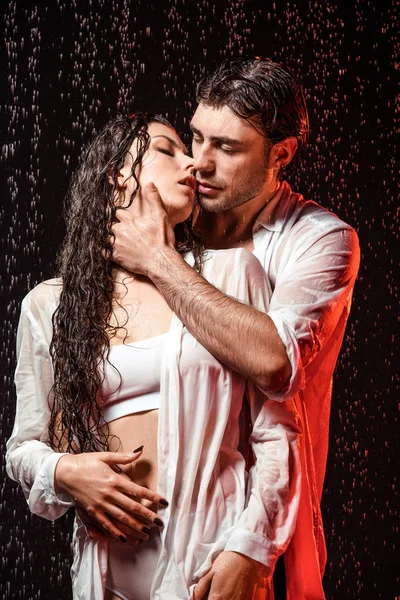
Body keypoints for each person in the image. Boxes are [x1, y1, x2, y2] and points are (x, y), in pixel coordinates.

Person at [6, 112, 302, 600]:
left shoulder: (230, 276)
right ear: (115, 176)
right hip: (102, 579)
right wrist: (65, 472)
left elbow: (278, 433)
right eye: (169, 150)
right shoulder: (52, 305)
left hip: (211, 566)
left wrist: (251, 550)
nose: (194, 164)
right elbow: (23, 448)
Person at [110, 58, 361, 600]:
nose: (198, 162)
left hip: (260, 544)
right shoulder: (171, 214)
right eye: (195, 136)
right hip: (141, 548)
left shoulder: (321, 241)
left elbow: (275, 363)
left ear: (280, 155)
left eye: (226, 147)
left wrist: (159, 259)